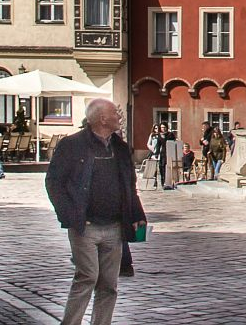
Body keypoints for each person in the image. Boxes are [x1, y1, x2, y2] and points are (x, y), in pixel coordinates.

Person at [46, 99, 146, 325]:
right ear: (102, 118)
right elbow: (54, 183)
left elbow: (129, 185)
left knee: (109, 285)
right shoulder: (72, 145)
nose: (118, 117)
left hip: (114, 226)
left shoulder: (119, 148)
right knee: (87, 277)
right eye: (115, 113)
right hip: (85, 226)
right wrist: (69, 215)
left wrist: (137, 214)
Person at [146, 124, 167, 189]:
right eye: (155, 128)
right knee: (154, 168)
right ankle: (155, 182)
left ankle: (163, 181)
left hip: (161, 153)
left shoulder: (162, 135)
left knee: (161, 168)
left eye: (158, 128)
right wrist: (153, 149)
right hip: (153, 153)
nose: (157, 129)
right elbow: (148, 144)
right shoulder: (152, 135)